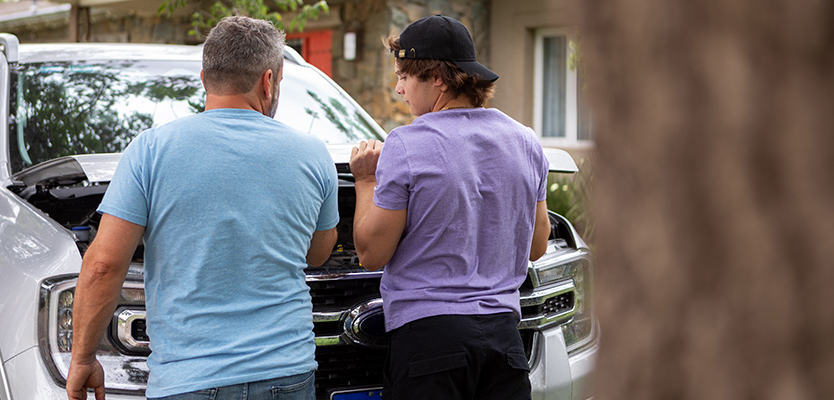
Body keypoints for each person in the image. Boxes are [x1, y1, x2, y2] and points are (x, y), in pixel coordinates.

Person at [66, 16, 338, 400]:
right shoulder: (313, 154)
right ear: (269, 81)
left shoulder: (151, 150)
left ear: (204, 77)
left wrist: (82, 359)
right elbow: (317, 252)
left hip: (188, 380)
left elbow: (103, 265)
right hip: (286, 374)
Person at [349, 15, 551, 400]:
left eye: (405, 77)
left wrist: (364, 181)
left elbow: (371, 253)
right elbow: (536, 247)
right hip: (505, 343)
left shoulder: (406, 144)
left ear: (438, 78)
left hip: (430, 344)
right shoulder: (526, 141)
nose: (398, 89)